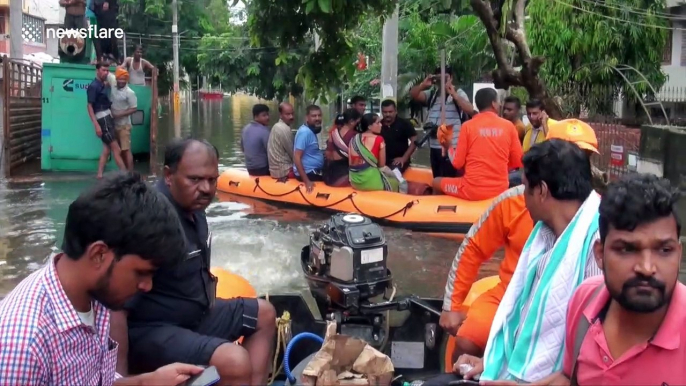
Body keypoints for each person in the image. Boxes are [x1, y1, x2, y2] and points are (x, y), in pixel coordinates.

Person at [0, 171, 206, 385]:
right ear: (99, 254)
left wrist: (148, 382)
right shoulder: (23, 346)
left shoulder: (95, 298)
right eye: (142, 272)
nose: (147, 286)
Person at [110, 139, 277, 385]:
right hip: (151, 330)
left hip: (195, 316)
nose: (206, 188)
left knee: (264, 313)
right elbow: (117, 306)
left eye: (212, 179)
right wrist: (121, 378)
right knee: (234, 360)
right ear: (169, 175)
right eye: (195, 179)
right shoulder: (150, 220)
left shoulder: (193, 208)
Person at [440, 120, 603, 365]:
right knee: (467, 341)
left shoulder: (602, 225)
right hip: (511, 293)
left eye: (582, 155)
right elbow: (474, 247)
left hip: (561, 320)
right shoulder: (523, 209)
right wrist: (451, 305)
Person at [556, 173, 685, 385]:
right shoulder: (585, 302)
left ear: (679, 255)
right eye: (626, 249)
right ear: (599, 253)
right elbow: (569, 377)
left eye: (664, 250)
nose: (646, 268)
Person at [433, 88, 522, 201]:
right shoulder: (509, 126)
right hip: (500, 190)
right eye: (499, 102)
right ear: (493, 104)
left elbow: (457, 163)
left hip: (471, 190)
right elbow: (517, 161)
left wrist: (449, 146)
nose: (500, 105)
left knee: (435, 181)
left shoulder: (467, 126)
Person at [409, 66, 475, 178]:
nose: (442, 80)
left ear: (451, 78)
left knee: (450, 178)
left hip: (452, 146)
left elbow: (470, 110)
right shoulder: (433, 94)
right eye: (439, 77)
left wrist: (453, 94)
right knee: (437, 177)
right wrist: (423, 85)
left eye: (445, 77)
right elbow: (413, 95)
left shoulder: (458, 92)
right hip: (434, 145)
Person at [88, 61, 126, 178]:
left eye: (107, 70)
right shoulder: (94, 86)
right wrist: (96, 125)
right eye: (103, 70)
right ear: (97, 70)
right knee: (116, 148)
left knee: (106, 149)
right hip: (102, 118)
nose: (105, 73)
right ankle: (126, 174)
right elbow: (89, 106)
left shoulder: (102, 84)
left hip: (107, 117)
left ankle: (99, 174)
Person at [349, 113, 401, 192]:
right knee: (396, 182)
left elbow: (350, 163)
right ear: (369, 126)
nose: (381, 125)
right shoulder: (379, 139)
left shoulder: (353, 139)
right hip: (372, 182)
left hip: (354, 181)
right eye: (377, 123)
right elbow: (381, 166)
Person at [324, 108, 361, 187]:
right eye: (357, 122)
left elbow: (328, 154)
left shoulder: (333, 133)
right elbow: (357, 159)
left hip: (329, 174)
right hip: (343, 174)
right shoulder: (354, 136)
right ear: (351, 121)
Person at [293, 105, 325, 193]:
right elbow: (297, 157)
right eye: (314, 116)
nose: (317, 118)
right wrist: (307, 181)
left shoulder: (310, 130)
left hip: (312, 170)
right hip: (309, 173)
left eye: (319, 115)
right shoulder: (305, 133)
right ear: (307, 118)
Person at [110, 68, 138, 171]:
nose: (122, 81)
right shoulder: (112, 81)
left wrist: (119, 114)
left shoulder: (130, 93)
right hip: (114, 125)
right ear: (116, 78)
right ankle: (123, 171)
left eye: (124, 79)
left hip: (124, 126)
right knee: (119, 151)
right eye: (120, 79)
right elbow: (105, 72)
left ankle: (130, 173)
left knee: (126, 150)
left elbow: (134, 108)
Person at [380, 99, 418, 173]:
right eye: (385, 112)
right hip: (381, 162)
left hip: (399, 162)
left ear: (395, 111)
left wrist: (404, 158)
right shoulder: (378, 125)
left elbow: (415, 141)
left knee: (394, 175)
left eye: (390, 112)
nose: (388, 114)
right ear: (382, 112)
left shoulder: (404, 124)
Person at [241, 104, 271, 176]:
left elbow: (242, 148)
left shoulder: (245, 129)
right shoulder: (265, 131)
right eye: (264, 115)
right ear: (256, 117)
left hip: (249, 169)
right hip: (262, 169)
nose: (267, 117)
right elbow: (271, 152)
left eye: (267, 115)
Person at [268, 102, 295, 180]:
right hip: (284, 171)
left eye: (292, 113)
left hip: (275, 170)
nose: (291, 116)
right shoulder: (284, 129)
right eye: (288, 114)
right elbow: (293, 154)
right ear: (280, 115)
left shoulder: (276, 126)